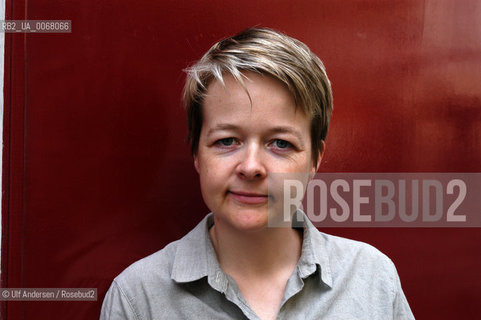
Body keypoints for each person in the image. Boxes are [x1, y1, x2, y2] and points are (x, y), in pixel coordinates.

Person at [100, 27, 414, 320]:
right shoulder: (137, 298)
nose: (251, 167)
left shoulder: (372, 279)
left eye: (280, 143)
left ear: (315, 159)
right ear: (196, 152)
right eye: (226, 141)